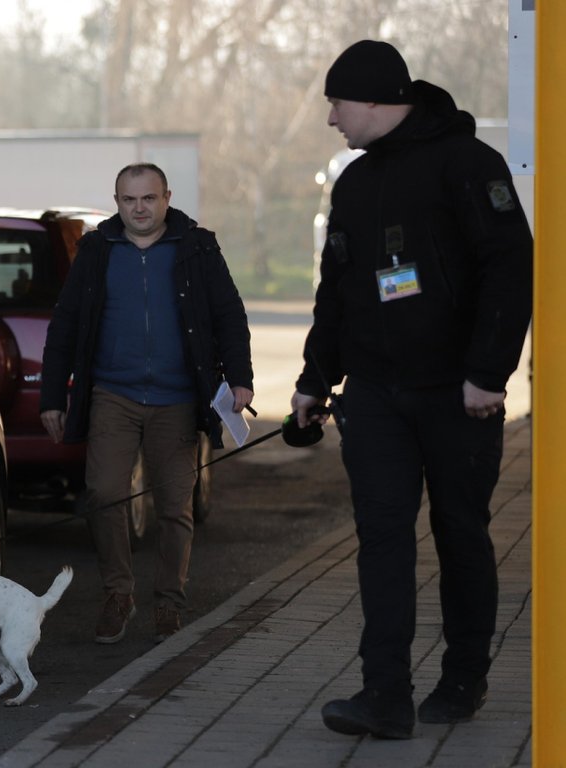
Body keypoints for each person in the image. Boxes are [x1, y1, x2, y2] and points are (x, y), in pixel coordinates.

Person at [292, 40, 533, 740]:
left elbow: (510, 267)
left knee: (461, 533)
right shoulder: (355, 183)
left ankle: (463, 678)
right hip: (374, 397)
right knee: (383, 540)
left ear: (371, 99)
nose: (332, 118)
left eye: (336, 103)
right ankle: (385, 695)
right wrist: (313, 379)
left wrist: (488, 375)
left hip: (458, 396)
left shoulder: (468, 165)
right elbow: (336, 286)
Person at [39, 162, 254, 645]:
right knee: (105, 493)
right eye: (129, 199)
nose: (139, 208)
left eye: (149, 199)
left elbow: (229, 315)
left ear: (166, 198)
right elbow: (65, 325)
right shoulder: (96, 250)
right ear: (117, 202)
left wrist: (240, 378)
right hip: (112, 395)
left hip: (177, 398)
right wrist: (53, 396)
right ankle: (119, 593)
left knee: (175, 507)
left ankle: (168, 602)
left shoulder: (197, 247)